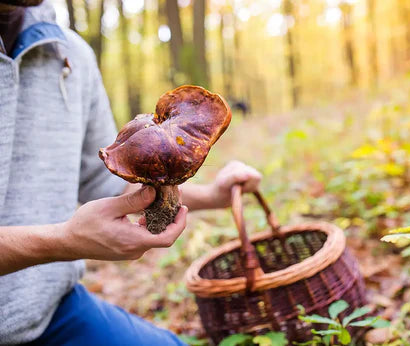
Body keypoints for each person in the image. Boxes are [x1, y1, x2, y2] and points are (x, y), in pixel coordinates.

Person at [0, 0, 261, 344]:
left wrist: (214, 195)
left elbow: (111, 189)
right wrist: (63, 242)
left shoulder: (71, 54)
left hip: (51, 312)